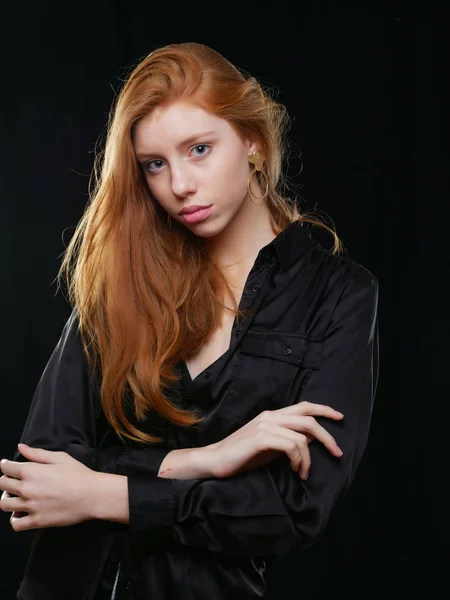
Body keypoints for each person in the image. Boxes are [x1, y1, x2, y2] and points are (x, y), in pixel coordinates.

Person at [0, 42, 379, 599]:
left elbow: (292, 510)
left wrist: (101, 493)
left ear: (252, 140)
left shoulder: (340, 295)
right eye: (155, 164)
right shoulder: (122, 279)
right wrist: (208, 460)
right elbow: (35, 480)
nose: (178, 185)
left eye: (199, 149)